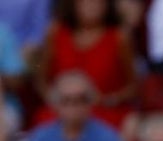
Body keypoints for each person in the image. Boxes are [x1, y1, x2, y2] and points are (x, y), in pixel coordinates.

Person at [34, 0, 139, 131]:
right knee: (45, 123)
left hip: (105, 112)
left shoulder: (120, 37)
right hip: (62, 111)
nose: (91, 6)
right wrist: (55, 99)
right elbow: (41, 79)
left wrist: (108, 100)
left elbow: (134, 87)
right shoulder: (55, 32)